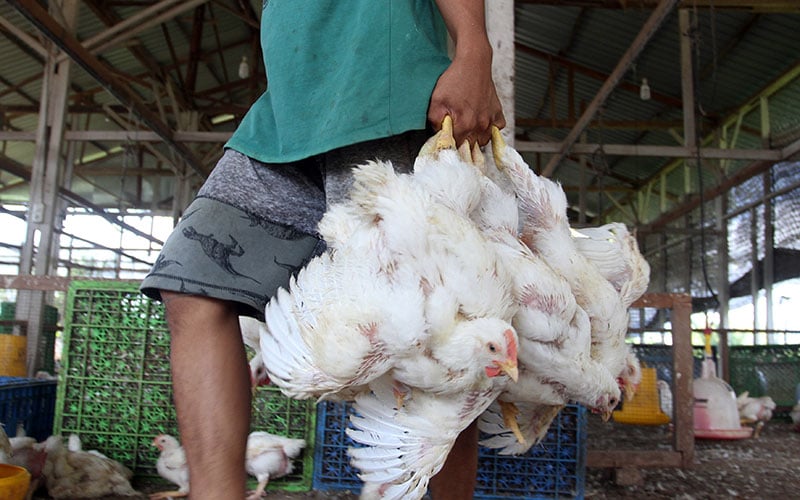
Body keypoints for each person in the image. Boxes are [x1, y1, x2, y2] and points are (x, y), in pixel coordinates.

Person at [140, 1, 505, 498]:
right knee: (192, 284)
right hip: (284, 119)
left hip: (385, 94)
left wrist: (473, 50)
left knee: (431, 332)